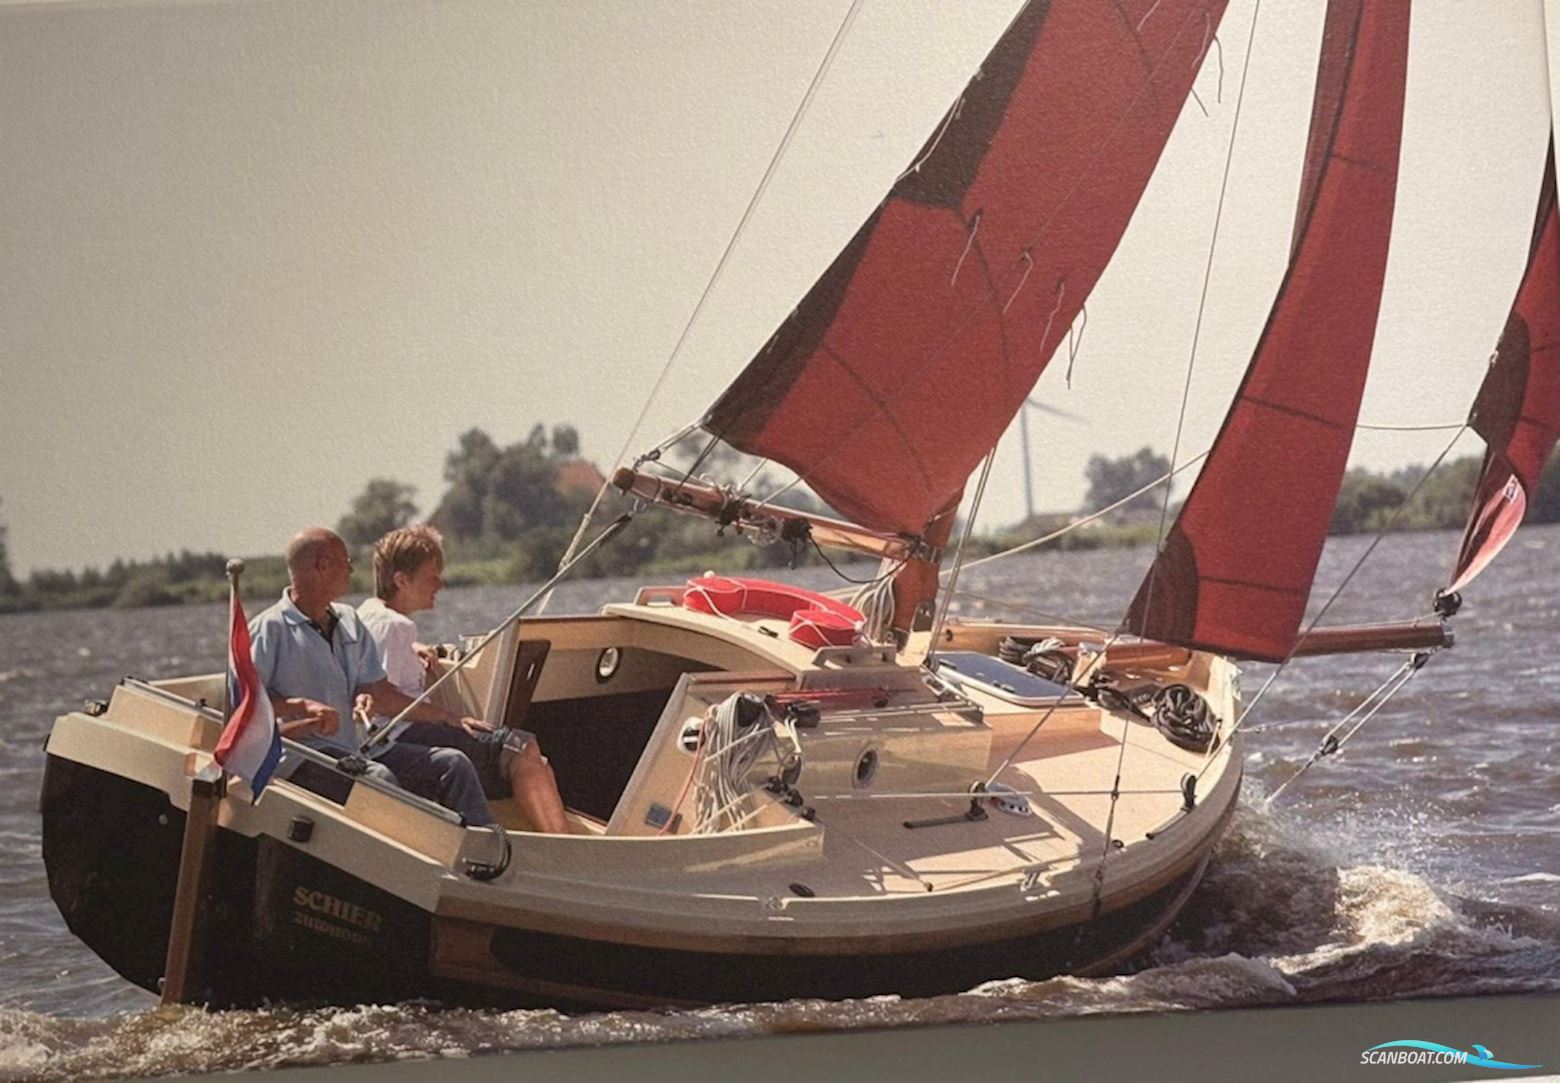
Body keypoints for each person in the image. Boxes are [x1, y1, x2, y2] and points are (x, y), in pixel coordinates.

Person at [248, 526, 497, 827]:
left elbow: (375, 689)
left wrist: (365, 698)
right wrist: (301, 707)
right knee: (379, 779)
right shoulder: (269, 629)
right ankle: (416, 861)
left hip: (360, 748)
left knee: (453, 764)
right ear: (322, 566)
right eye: (346, 562)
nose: (352, 569)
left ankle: (482, 851)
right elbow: (245, 709)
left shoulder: (349, 620)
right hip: (303, 756)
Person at [359, 524, 569, 834]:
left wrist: (411, 647)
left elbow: (379, 658)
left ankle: (550, 835)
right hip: (398, 736)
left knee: (536, 761)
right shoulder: (397, 627)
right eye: (432, 577)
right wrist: (446, 716)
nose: (440, 585)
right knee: (523, 749)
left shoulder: (369, 612)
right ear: (401, 580)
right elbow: (383, 698)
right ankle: (561, 848)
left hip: (382, 734)